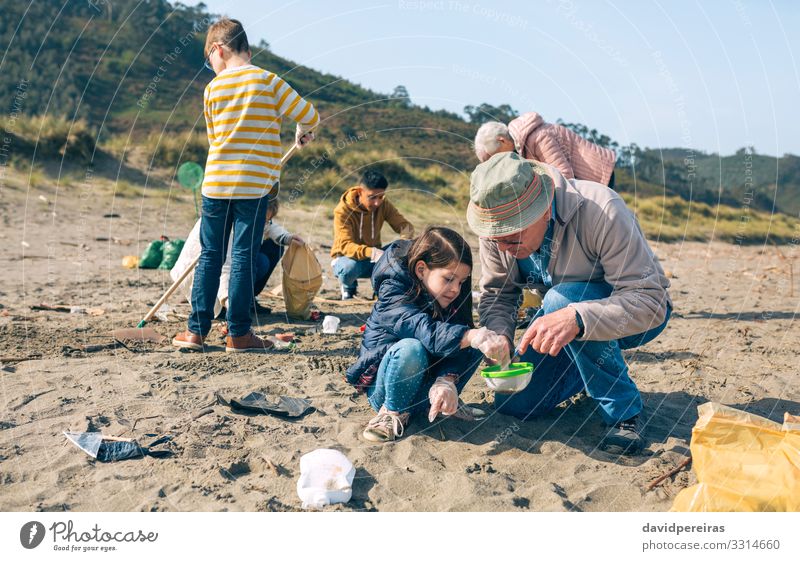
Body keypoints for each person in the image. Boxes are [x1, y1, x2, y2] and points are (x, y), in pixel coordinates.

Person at [468, 152, 672, 454]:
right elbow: (499, 293)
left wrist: (578, 318)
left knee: (562, 299)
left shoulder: (602, 209)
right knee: (515, 403)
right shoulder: (497, 227)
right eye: (495, 239)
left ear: (543, 211)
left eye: (511, 239)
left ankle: (623, 413)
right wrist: (499, 334)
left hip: (632, 317)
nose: (503, 249)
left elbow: (650, 302)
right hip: (559, 318)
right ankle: (585, 365)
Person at [172, 17, 318, 353]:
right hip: (253, 186)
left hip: (215, 183)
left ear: (218, 49)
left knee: (210, 255)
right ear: (246, 50)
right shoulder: (268, 81)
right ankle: (238, 334)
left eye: (210, 60)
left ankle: (196, 332)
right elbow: (309, 115)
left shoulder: (213, 89)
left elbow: (216, 140)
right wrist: (301, 132)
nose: (211, 66)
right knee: (241, 256)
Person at [345, 227, 508, 442]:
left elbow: (461, 331)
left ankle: (445, 400)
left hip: (427, 390)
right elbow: (426, 331)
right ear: (421, 270)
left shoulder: (451, 294)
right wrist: (470, 336)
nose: (456, 289)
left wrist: (447, 380)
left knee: (476, 339)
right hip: (387, 389)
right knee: (413, 347)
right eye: (449, 279)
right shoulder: (393, 290)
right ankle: (390, 414)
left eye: (461, 281)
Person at [330, 169, 415, 300]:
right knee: (348, 270)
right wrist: (373, 253)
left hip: (375, 259)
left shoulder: (383, 204)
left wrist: (403, 244)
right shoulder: (342, 211)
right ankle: (349, 286)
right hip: (348, 259)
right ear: (360, 192)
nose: (377, 202)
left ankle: (381, 288)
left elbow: (406, 227)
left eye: (381, 197)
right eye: (372, 197)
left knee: (408, 248)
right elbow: (346, 246)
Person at [474, 112, 617, 188]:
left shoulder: (539, 138)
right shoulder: (521, 145)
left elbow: (564, 175)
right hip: (582, 180)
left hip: (598, 174)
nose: (499, 162)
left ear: (502, 140)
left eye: (496, 157)